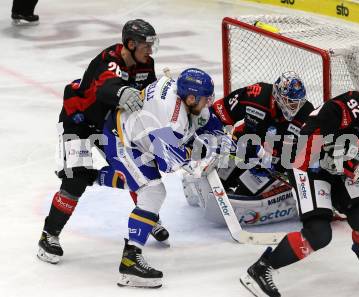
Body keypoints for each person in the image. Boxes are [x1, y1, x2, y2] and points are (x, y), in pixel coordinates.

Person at [240, 70, 359, 297]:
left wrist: (345, 166)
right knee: (319, 234)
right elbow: (314, 129)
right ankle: (262, 268)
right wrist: (325, 149)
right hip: (306, 168)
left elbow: (351, 156)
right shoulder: (352, 103)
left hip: (330, 171)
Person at [37, 19, 161, 264]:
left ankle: (147, 214)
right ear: (130, 43)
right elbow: (106, 87)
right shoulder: (108, 60)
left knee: (139, 166)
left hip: (109, 124)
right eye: (146, 45)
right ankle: (48, 235)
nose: (150, 50)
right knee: (75, 181)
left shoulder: (146, 63)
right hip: (79, 123)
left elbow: (150, 95)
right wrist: (122, 92)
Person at [102, 68, 222, 288]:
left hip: (138, 132)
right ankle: (129, 262)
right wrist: (200, 153)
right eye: (205, 98)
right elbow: (168, 164)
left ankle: (95, 176)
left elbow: (205, 118)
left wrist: (220, 136)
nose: (208, 102)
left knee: (140, 182)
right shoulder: (174, 119)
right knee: (153, 191)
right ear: (191, 97)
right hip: (122, 139)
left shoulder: (178, 90)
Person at [182, 72, 314, 226]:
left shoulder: (307, 113)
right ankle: (194, 183)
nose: (294, 107)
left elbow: (310, 151)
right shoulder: (256, 94)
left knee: (243, 195)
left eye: (297, 102)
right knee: (219, 178)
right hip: (242, 148)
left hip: (271, 166)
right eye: (289, 101)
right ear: (277, 96)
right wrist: (218, 140)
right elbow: (218, 112)